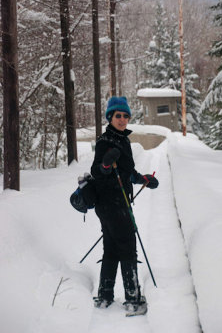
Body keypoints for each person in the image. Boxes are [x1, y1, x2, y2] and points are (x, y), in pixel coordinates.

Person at [91, 96, 159, 312]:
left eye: (125, 115)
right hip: (112, 204)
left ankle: (104, 297)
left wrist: (144, 179)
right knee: (128, 248)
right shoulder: (105, 141)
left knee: (111, 249)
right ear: (110, 117)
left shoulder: (123, 140)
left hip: (116, 203)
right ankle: (132, 300)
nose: (122, 119)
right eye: (117, 115)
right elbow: (97, 171)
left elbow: (127, 173)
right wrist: (105, 164)